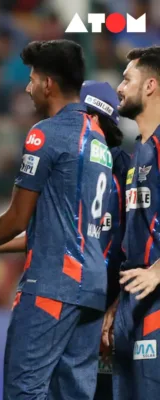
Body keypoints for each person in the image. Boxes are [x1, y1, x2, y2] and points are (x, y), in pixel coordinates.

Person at [0, 39, 113, 399]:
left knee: (23, 391)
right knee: (73, 394)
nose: (28, 89)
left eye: (31, 79)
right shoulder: (97, 140)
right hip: (91, 288)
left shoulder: (45, 133)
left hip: (51, 285)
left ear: (48, 83)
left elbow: (16, 217)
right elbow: (60, 227)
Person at [0, 80, 130, 400]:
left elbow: (129, 245)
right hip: (95, 298)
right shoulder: (102, 166)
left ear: (91, 116)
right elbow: (58, 233)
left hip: (76, 294)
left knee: (28, 388)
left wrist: (118, 306)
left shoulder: (109, 171)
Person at [101, 46, 160, 400]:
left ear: (151, 85)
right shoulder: (138, 151)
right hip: (132, 301)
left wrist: (157, 270)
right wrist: (117, 305)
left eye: (127, 79)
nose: (119, 87)